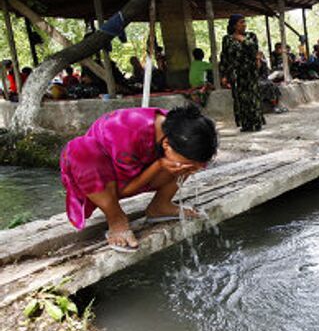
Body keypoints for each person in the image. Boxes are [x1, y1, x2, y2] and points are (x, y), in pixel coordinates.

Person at [60, 105, 218, 251]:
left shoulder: (181, 130)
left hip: (140, 168)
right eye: (191, 164)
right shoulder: (128, 133)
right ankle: (116, 218)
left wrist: (174, 164)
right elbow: (123, 190)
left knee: (189, 162)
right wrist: (159, 166)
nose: (196, 170)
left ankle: (160, 206)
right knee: (79, 150)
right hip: (102, 180)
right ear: (166, 145)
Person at [220, 14, 265, 132]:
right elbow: (224, 57)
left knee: (252, 97)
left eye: (245, 22)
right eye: (241, 22)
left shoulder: (251, 36)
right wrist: (224, 75)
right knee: (240, 99)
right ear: (234, 25)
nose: (244, 25)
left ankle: (256, 123)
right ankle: (245, 124)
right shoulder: (227, 39)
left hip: (250, 72)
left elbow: (254, 50)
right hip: (236, 73)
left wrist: (242, 39)